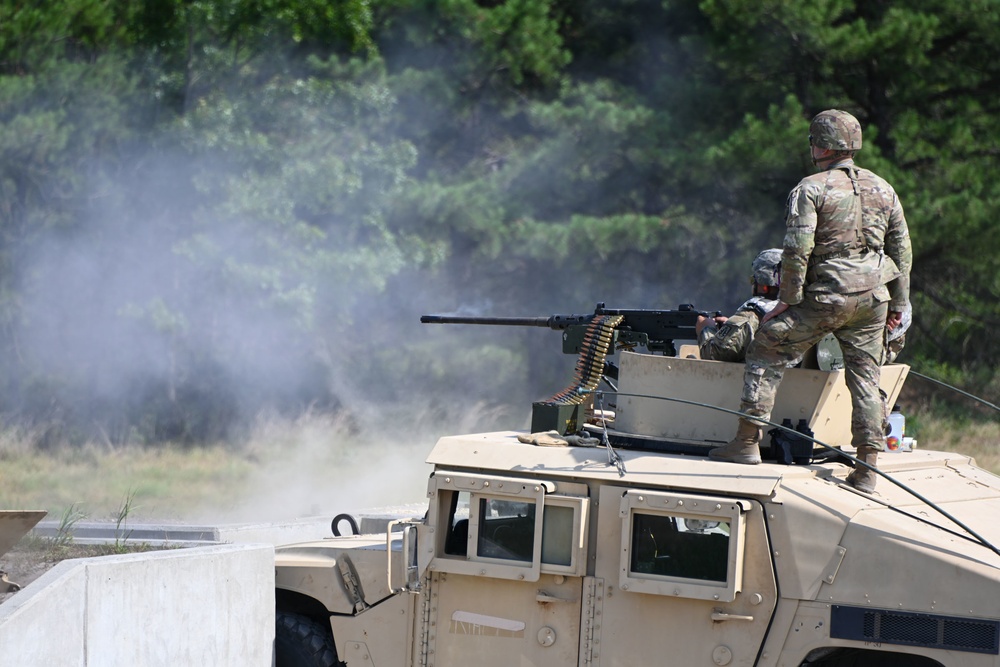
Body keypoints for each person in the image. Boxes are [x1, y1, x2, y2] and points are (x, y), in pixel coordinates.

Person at [709, 109, 912, 495]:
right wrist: (899, 304)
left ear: (820, 145)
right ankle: (867, 467)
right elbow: (901, 253)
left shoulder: (811, 188)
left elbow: (797, 249)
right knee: (866, 378)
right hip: (873, 298)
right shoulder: (884, 188)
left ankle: (747, 442)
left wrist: (787, 301)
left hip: (827, 295)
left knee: (767, 345)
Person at [696, 249, 781, 362]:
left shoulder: (752, 315)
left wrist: (706, 328)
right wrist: (731, 327)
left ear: (763, 285)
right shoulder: (803, 311)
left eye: (753, 280)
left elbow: (714, 354)